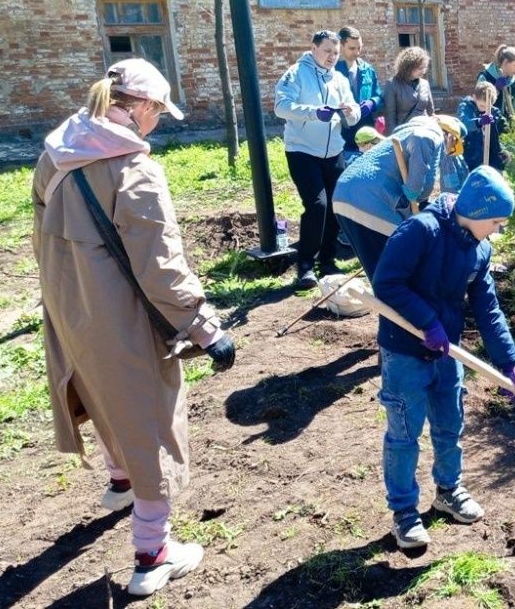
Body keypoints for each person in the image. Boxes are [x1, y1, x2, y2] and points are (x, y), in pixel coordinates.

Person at [31, 58, 235, 597]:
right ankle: (153, 555)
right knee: (152, 421)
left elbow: (40, 239)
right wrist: (206, 329)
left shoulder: (55, 153)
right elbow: (161, 266)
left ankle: (118, 480)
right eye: (158, 112)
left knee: (101, 394)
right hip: (123, 318)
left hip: (72, 309)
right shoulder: (134, 169)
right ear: (140, 107)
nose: (158, 123)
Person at [371, 166, 515, 549]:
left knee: (449, 425)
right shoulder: (421, 231)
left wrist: (508, 361)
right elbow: (386, 283)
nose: (498, 230)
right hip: (406, 351)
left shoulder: (479, 248)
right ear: (476, 212)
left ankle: (448, 491)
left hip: (447, 352)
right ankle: (405, 512)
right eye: (496, 222)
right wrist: (426, 321)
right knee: (404, 434)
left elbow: (488, 308)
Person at [275, 29, 361, 288]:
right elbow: (281, 107)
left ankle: (328, 261)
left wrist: (351, 113)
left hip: (334, 150)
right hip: (302, 150)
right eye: (327, 51)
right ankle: (304, 267)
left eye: (335, 52)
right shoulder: (296, 73)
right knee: (317, 206)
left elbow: (353, 111)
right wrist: (314, 113)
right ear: (313, 48)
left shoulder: (339, 79)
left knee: (336, 204)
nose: (332, 57)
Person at [332, 115, 466, 280]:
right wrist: (413, 189)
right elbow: (421, 143)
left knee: (379, 269)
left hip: (344, 194)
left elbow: (444, 184)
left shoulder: (404, 133)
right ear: (450, 136)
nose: (449, 152)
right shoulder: (431, 133)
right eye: (452, 148)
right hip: (371, 199)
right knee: (396, 268)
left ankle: (389, 302)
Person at [335, 26, 384, 158]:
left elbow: (379, 97)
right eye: (352, 48)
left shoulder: (367, 69)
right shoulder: (332, 72)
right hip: (343, 135)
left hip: (366, 134)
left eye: (359, 48)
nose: (357, 52)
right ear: (341, 46)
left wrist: (372, 103)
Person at [457, 81, 507, 172]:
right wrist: (479, 122)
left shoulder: (494, 112)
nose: (485, 109)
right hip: (472, 155)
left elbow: (503, 131)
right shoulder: (466, 107)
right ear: (474, 98)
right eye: (482, 105)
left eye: (488, 106)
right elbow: (463, 123)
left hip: (492, 157)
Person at [383, 46, 436, 132]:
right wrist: (393, 138)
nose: (423, 71)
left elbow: (431, 113)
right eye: (420, 68)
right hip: (404, 133)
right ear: (409, 67)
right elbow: (390, 117)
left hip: (425, 131)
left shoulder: (425, 84)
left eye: (425, 68)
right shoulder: (392, 84)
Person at [477, 45, 515, 128]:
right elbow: (479, 104)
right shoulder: (486, 77)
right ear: (506, 62)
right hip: (488, 128)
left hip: (508, 131)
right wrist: (496, 89)